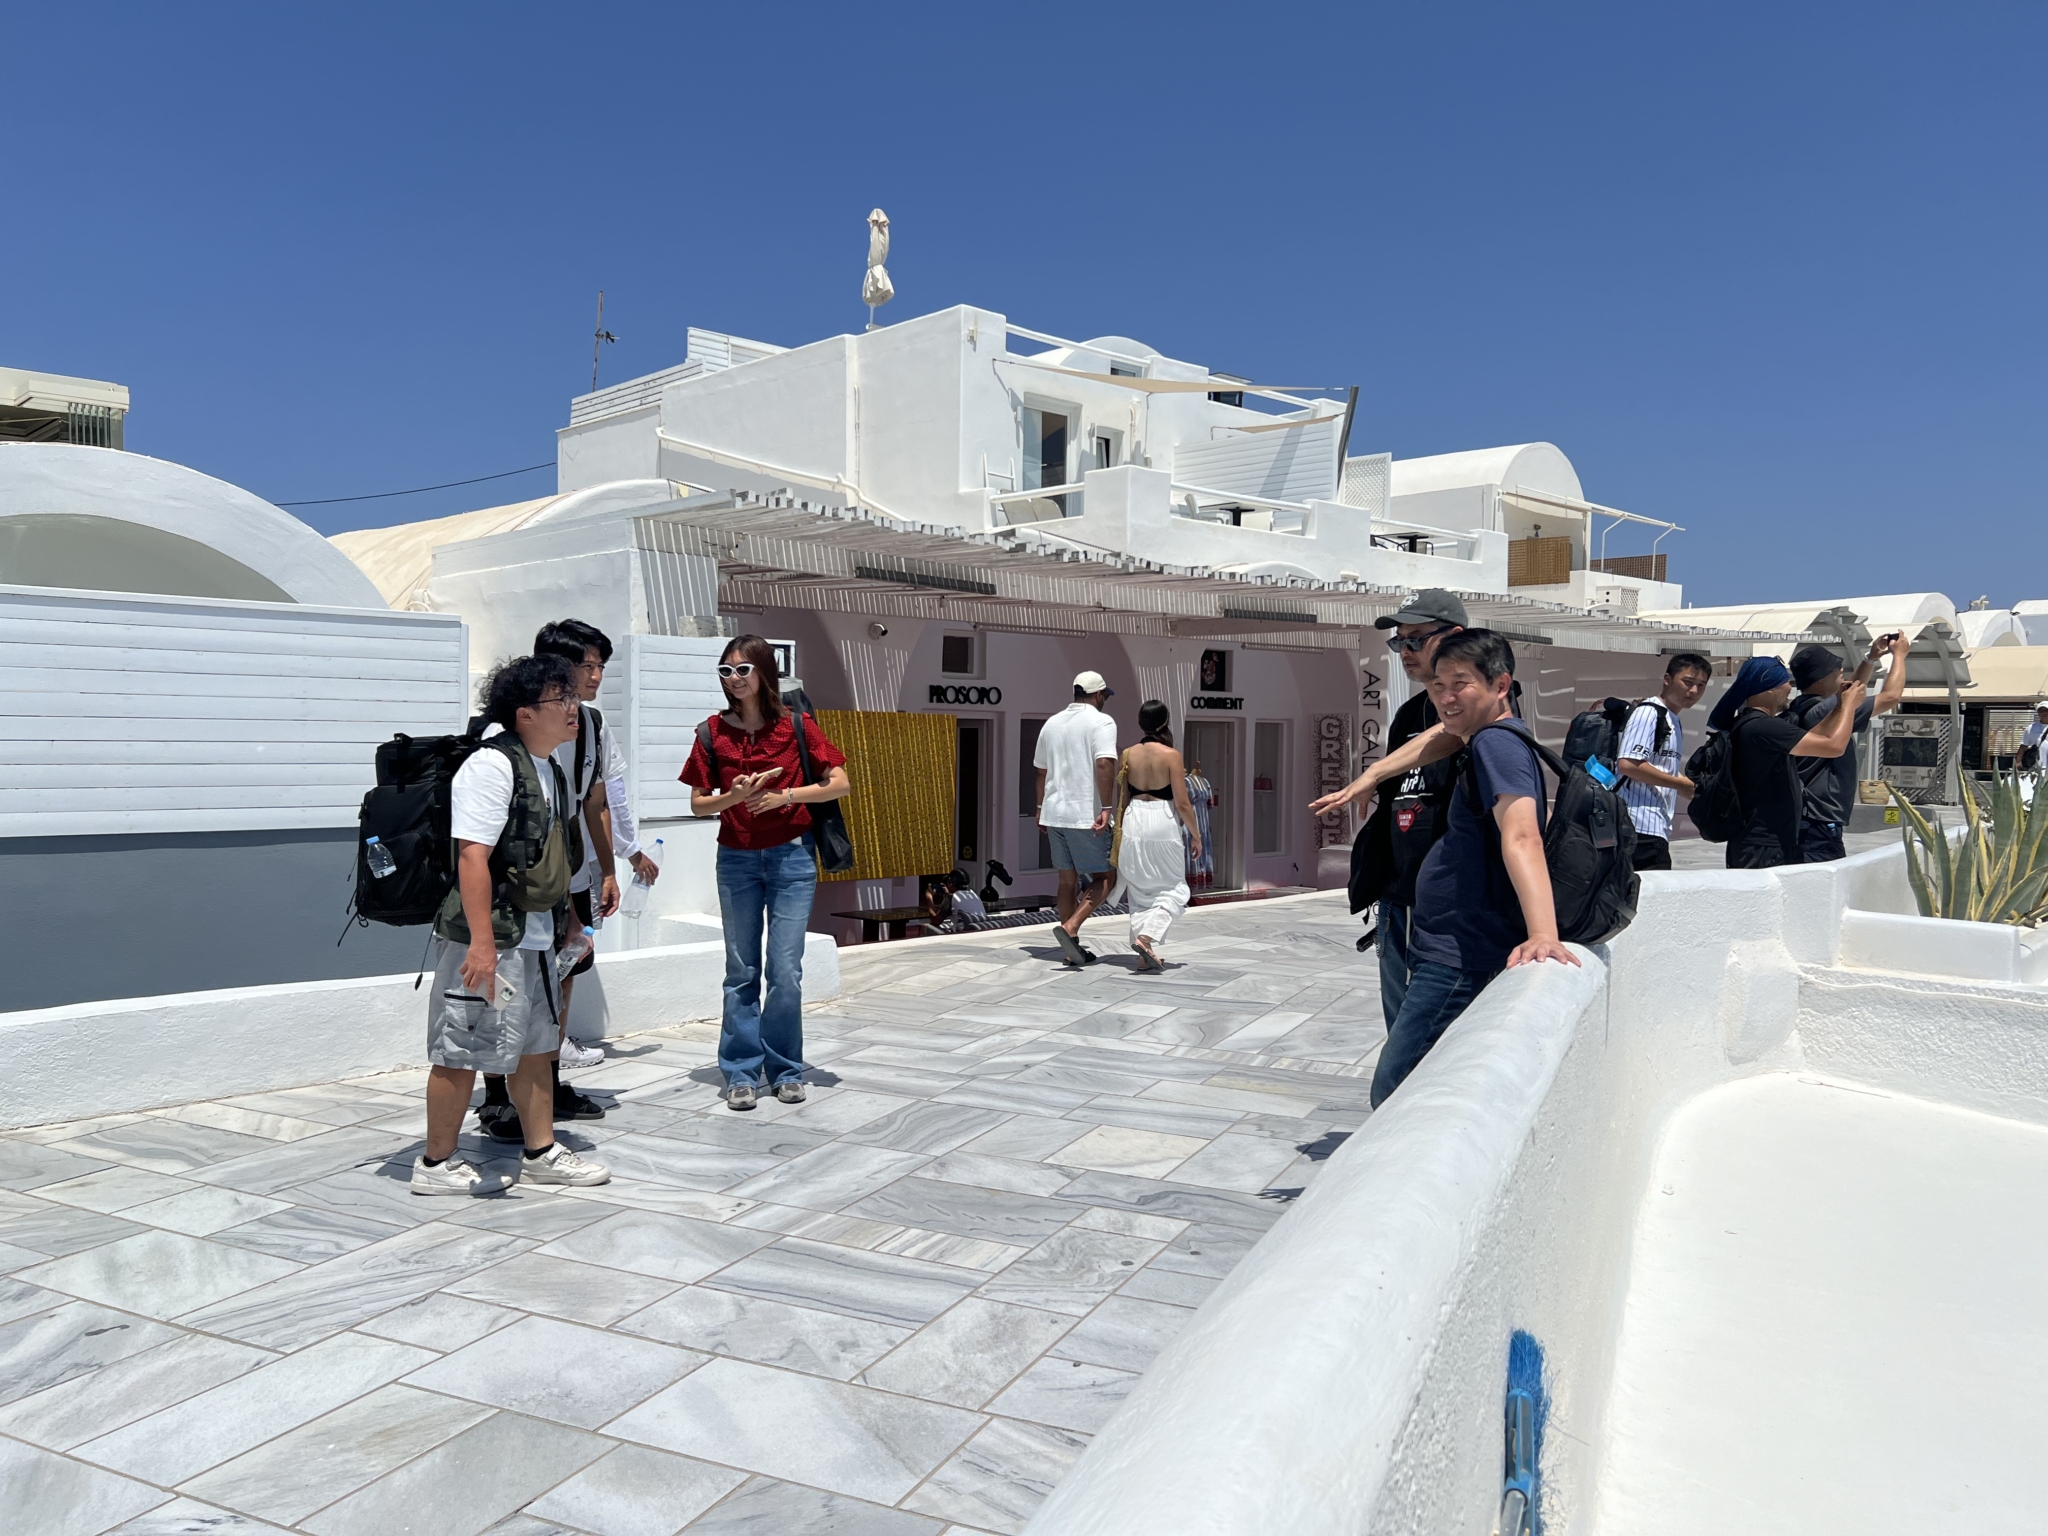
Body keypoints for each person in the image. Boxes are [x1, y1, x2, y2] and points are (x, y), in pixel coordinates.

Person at [413, 655, 610, 1194]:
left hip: (535, 937)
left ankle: (541, 1151)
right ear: (525, 713)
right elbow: (472, 856)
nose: (574, 709)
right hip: (489, 939)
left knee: (536, 1047)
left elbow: (555, 855)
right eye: (562, 699)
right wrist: (481, 944)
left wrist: (570, 921)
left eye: (574, 698)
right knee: (460, 1050)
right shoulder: (490, 767)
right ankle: (435, 1165)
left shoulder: (549, 769)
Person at [1371, 629, 1580, 1109]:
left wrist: (1543, 933)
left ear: (1500, 685)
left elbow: (1522, 834)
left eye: (1460, 684)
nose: (1446, 697)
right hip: (1449, 947)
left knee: (1396, 1087)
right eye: (1438, 685)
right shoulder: (1487, 741)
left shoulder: (1496, 745)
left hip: (1460, 955)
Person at [679, 635, 850, 1111]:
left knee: (785, 970)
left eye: (742, 670)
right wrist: (733, 796)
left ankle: (785, 1069)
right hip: (736, 859)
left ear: (763, 672)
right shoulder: (711, 732)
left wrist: (784, 797)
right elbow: (698, 804)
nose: (733, 679)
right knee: (741, 971)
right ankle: (740, 1071)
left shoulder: (796, 725)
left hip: (792, 857)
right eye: (725, 671)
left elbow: (840, 782)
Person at [1312, 588, 1466, 1036]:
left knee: (1425, 1038)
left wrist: (1374, 772)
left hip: (1447, 903)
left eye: (1416, 639)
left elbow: (1452, 731)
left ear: (1455, 636)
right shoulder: (1409, 712)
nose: (1405, 651)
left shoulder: (1488, 702)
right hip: (1398, 896)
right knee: (1399, 1025)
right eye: (1399, 642)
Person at [1705, 654, 1867, 869]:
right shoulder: (1763, 727)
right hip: (1762, 845)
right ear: (1769, 689)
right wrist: (1848, 707)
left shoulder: (1753, 724)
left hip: (1763, 841)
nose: (1790, 688)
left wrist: (1839, 704)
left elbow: (1816, 735)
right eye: (1785, 682)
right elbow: (1834, 746)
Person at [1788, 633, 1910, 861]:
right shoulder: (1823, 711)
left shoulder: (1801, 706)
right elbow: (1890, 697)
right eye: (1837, 670)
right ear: (1820, 679)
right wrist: (1900, 656)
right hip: (1820, 823)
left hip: (1808, 818)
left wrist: (1871, 659)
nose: (1842, 672)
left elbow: (1849, 693)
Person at [1108, 701, 1204, 971]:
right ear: (1165, 722)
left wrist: (1120, 831)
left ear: (1141, 723)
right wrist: (1196, 835)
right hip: (1162, 819)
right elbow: (1182, 803)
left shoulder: (1128, 754)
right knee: (1175, 889)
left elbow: (1122, 799)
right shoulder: (1171, 755)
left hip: (1134, 819)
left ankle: (1144, 955)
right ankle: (1146, 938)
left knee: (1139, 890)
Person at [1034, 670, 1119, 967]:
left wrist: (1039, 807)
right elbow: (1104, 763)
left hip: (1054, 812)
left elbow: (1041, 772)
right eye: (1104, 696)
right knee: (1106, 877)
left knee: (1066, 881)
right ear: (1098, 695)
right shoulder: (1102, 722)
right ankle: (1071, 928)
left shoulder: (1051, 723)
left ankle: (1072, 949)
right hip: (1085, 814)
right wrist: (1106, 806)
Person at [1614, 652, 1713, 871]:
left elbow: (1661, 767)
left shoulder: (1672, 719)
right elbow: (1628, 764)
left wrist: (1690, 787)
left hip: (1654, 827)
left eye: (1701, 685)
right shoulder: (1649, 713)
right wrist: (1679, 785)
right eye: (1687, 682)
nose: (1693, 691)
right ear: (1667, 679)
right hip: (1636, 826)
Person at [1185, 760, 1215, 888]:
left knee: (1201, 849)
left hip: (1202, 822)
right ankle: (1188, 886)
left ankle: (1196, 883)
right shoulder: (1186, 782)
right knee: (1190, 850)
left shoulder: (1205, 782)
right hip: (1192, 820)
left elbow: (1210, 804)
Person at [2021, 704, 2048, 772]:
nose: (2045, 713)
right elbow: (2023, 746)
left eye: (2047, 710)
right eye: (2042, 711)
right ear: (2038, 713)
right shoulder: (2031, 728)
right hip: (2036, 767)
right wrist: (2018, 762)